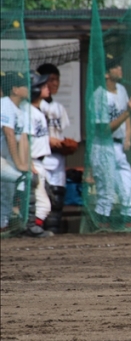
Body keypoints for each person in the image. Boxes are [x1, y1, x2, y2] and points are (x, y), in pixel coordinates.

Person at [90, 54, 131, 231]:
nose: (120, 69)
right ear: (106, 74)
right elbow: (103, 130)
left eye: (119, 65)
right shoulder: (99, 96)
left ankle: (130, 228)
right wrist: (127, 113)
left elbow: (127, 115)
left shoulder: (121, 89)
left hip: (118, 146)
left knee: (128, 189)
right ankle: (101, 229)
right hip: (103, 146)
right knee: (107, 193)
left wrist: (128, 134)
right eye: (115, 67)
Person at [37, 63, 75, 234]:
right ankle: (37, 230)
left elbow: (64, 133)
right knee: (43, 197)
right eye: (51, 79)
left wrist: (66, 144)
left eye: (57, 79)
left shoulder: (59, 107)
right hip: (42, 157)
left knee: (58, 198)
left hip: (58, 158)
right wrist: (48, 141)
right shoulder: (36, 106)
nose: (55, 83)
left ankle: (54, 234)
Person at [1, 71, 31, 234]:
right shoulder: (4, 104)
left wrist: (24, 164)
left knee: (11, 190)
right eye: (24, 85)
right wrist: (19, 164)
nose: (28, 88)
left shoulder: (23, 109)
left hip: (7, 159)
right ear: (15, 89)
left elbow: (23, 139)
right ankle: (18, 221)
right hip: (2, 158)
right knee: (19, 180)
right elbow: (9, 134)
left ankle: (6, 225)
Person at [27, 70, 54, 237]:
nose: (47, 87)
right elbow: (24, 141)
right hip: (31, 162)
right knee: (42, 206)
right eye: (42, 86)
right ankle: (29, 230)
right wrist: (30, 165)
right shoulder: (29, 113)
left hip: (39, 162)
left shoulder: (38, 111)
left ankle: (30, 229)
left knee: (42, 205)